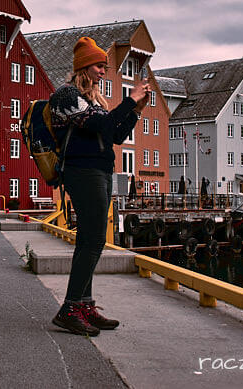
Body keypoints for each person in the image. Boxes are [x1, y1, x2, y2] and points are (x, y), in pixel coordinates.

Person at [49, 36, 149, 336]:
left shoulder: (94, 100)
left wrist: (135, 111)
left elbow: (115, 136)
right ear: (83, 67)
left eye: (105, 66)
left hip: (101, 171)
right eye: (99, 65)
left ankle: (84, 304)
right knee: (92, 240)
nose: (104, 71)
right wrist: (129, 100)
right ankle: (69, 309)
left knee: (91, 241)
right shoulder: (67, 97)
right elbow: (102, 126)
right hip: (82, 172)